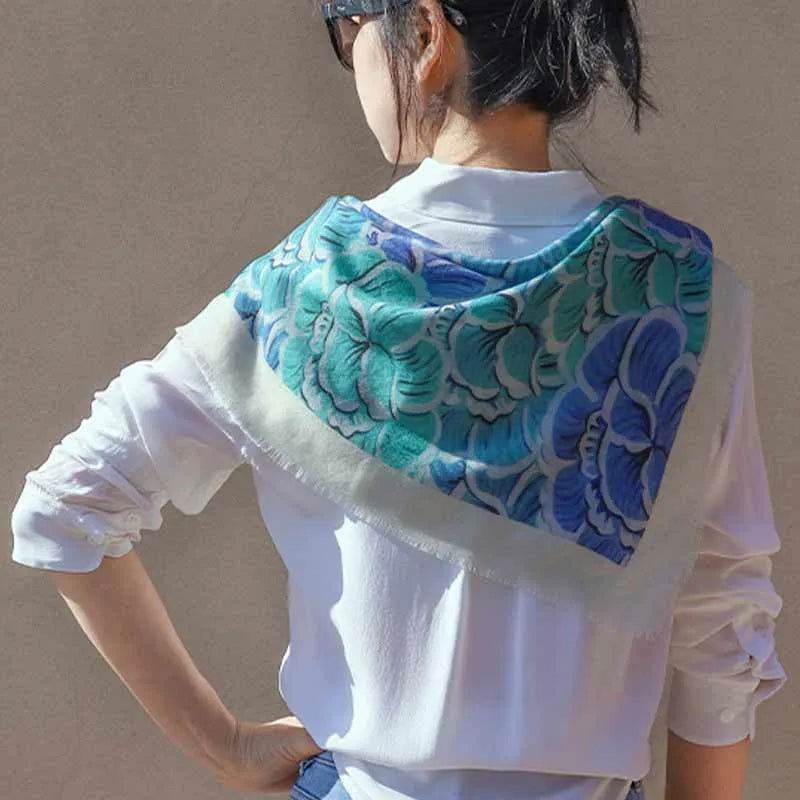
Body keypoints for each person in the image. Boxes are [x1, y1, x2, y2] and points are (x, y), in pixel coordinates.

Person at [9, 2, 787, 800]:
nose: (350, 64)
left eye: (346, 32)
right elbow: (722, 622)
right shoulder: (685, 296)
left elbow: (66, 506)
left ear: (423, 32)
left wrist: (227, 747)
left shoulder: (306, 289)